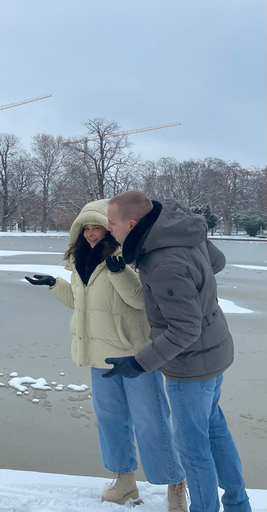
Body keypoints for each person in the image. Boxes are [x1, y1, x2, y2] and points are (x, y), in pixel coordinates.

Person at [25, 199, 187, 510]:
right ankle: (125, 482)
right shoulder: (79, 261)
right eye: (85, 228)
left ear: (109, 227)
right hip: (98, 355)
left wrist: (120, 272)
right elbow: (81, 304)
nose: (89, 233)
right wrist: (53, 284)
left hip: (135, 356)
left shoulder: (130, 256)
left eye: (95, 227)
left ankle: (175, 484)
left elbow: (141, 301)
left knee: (151, 421)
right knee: (111, 421)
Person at [105, 191, 251, 512]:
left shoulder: (163, 263)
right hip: (215, 350)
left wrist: (138, 364)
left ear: (131, 224)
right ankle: (239, 505)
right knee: (214, 429)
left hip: (191, 368)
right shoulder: (179, 231)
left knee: (192, 449)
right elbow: (217, 262)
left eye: (111, 223)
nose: (107, 229)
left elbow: (185, 330)